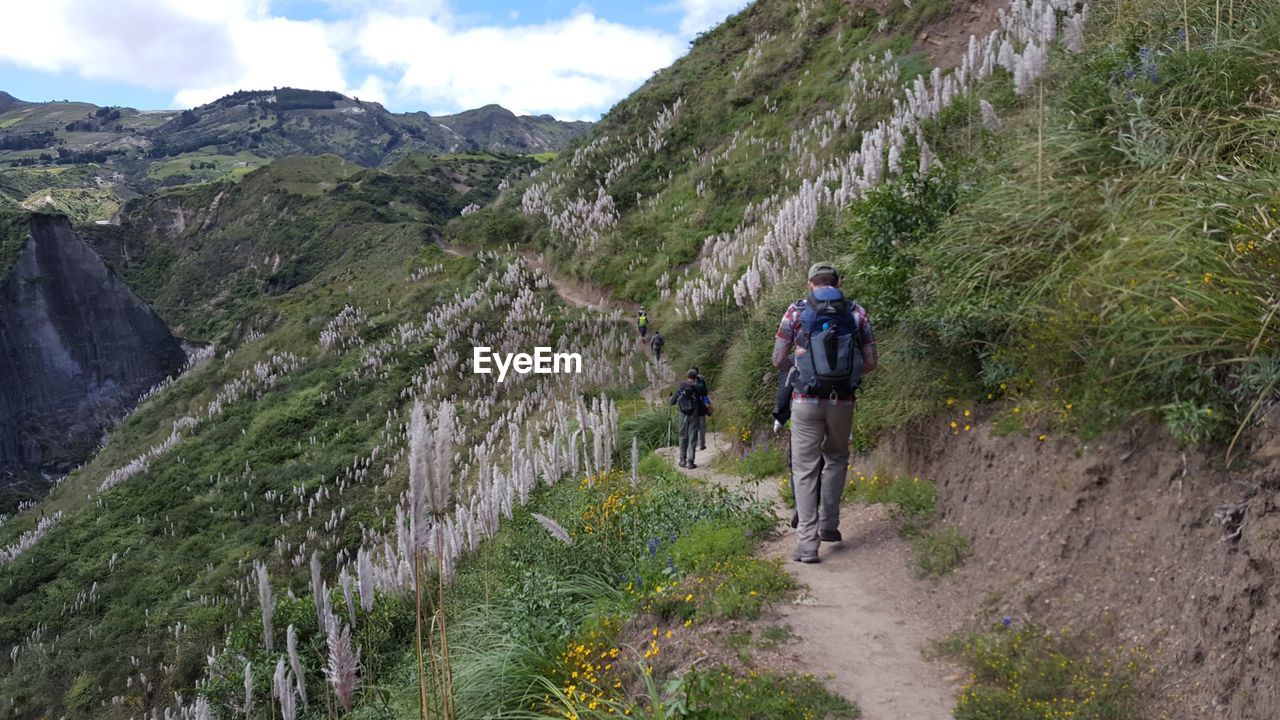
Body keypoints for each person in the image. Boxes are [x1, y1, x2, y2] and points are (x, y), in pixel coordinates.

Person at [772, 262, 877, 563]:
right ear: (837, 282)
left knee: (804, 468)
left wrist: (801, 360)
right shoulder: (857, 312)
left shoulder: (795, 311)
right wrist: (845, 370)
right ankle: (830, 526)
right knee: (836, 457)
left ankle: (808, 544)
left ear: (810, 284)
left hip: (805, 399)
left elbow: (778, 359)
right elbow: (871, 362)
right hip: (843, 401)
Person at [670, 369, 703, 468]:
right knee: (692, 436)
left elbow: (672, 401)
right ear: (695, 377)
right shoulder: (697, 386)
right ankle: (690, 462)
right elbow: (704, 393)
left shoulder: (682, 386)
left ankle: (682, 460)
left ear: (687, 376)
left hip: (682, 413)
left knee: (683, 436)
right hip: (694, 413)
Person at [691, 367, 711, 451]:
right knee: (702, 427)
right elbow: (705, 393)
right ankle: (702, 444)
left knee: (693, 427)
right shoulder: (701, 381)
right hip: (701, 407)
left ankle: (693, 446)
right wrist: (708, 404)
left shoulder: (688, 382)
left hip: (691, 408)